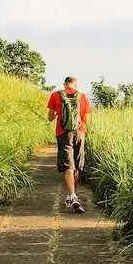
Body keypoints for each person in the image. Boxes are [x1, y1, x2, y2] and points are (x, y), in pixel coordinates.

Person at [47, 76, 91, 213]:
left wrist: (55, 115)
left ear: (64, 84)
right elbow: (86, 119)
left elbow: (49, 117)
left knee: (68, 165)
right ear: (75, 85)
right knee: (77, 165)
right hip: (79, 133)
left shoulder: (55, 95)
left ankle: (72, 196)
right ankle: (72, 195)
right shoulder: (82, 96)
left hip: (63, 133)